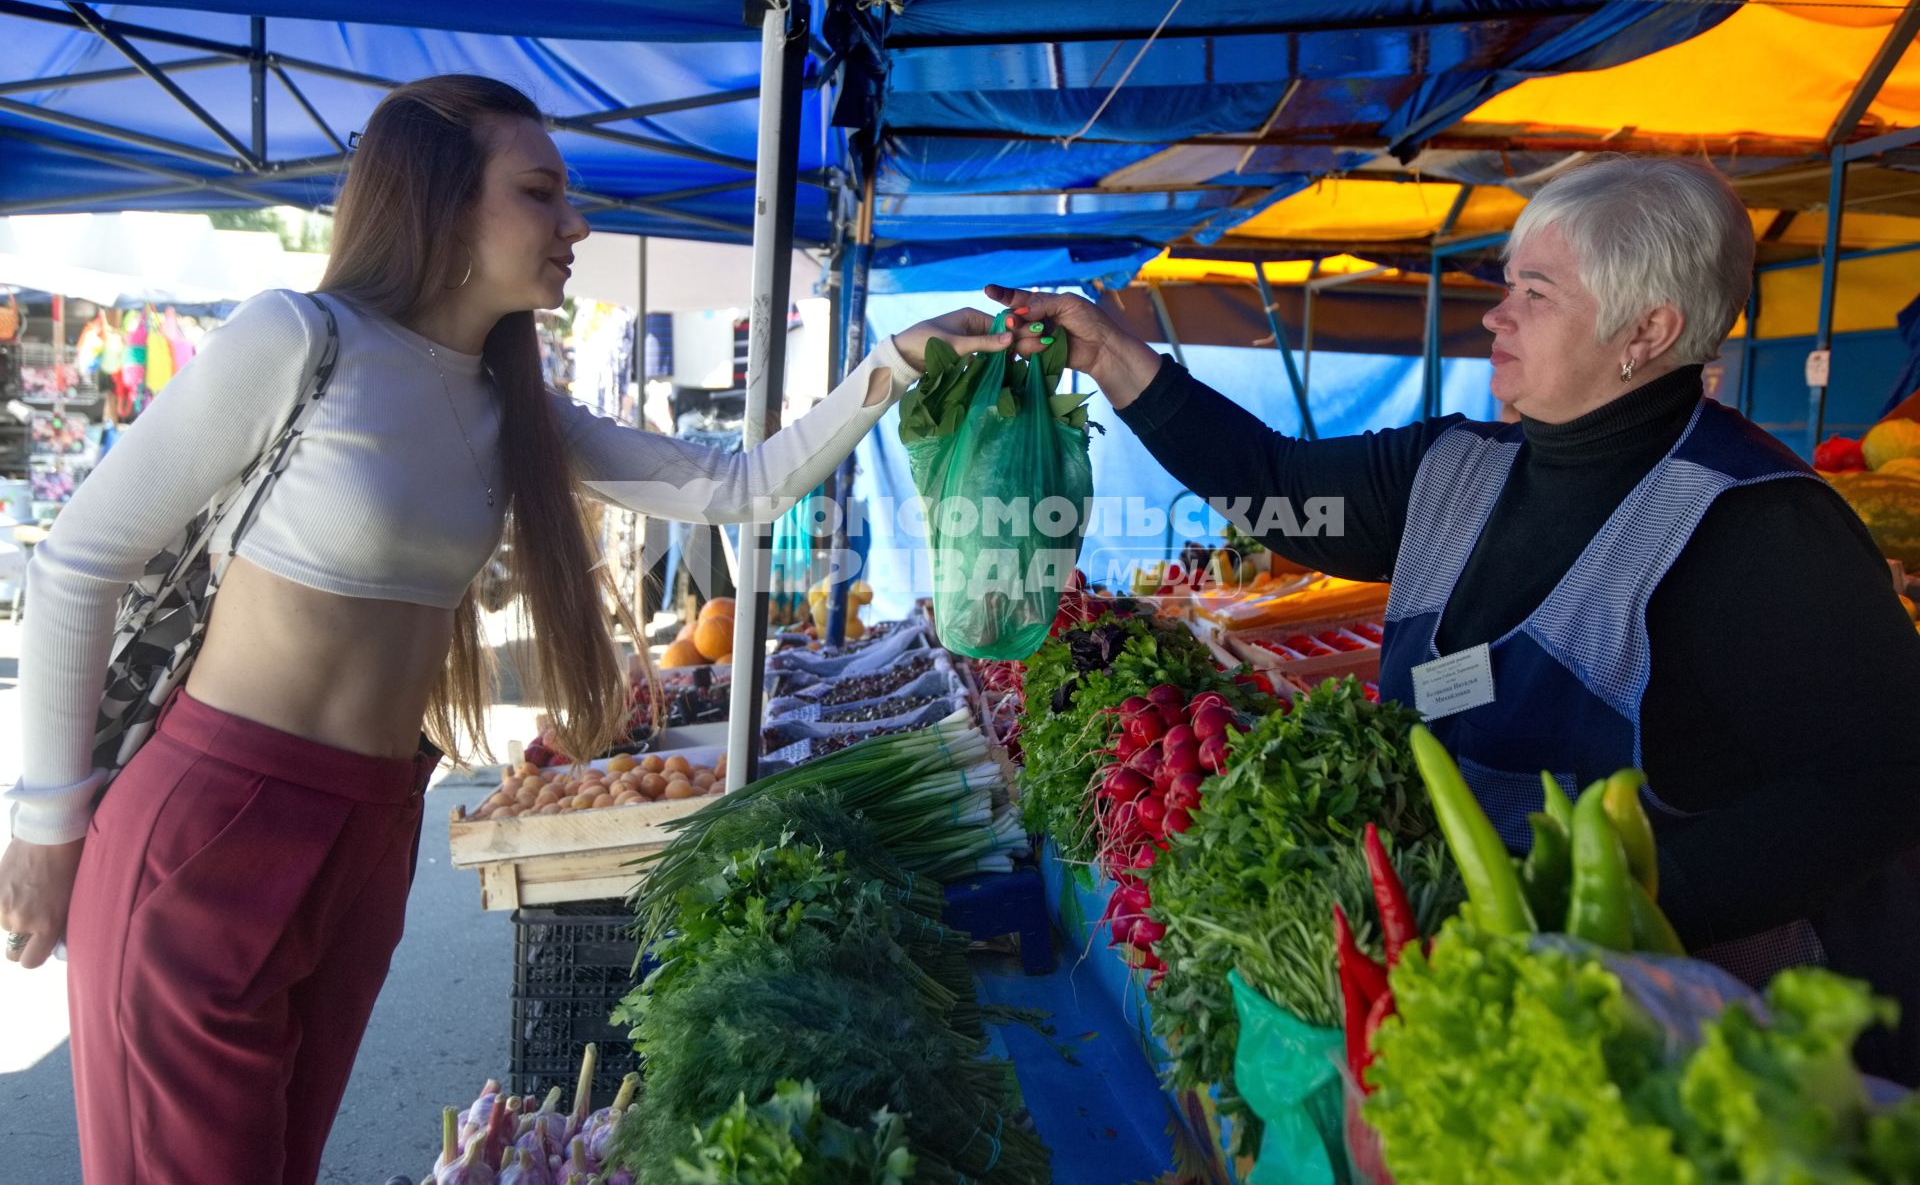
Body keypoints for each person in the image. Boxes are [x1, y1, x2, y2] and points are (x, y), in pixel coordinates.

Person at [0, 74, 1009, 1183]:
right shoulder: (301, 338)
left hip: (369, 829)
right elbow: (80, 558)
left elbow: (742, 485)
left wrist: (894, 364)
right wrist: (48, 829)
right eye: (541, 192)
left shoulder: (507, 404)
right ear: (438, 204)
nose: (575, 222)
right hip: (213, 823)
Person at [992, 154, 1920, 1080]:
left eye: (1536, 293)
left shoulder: (1758, 524)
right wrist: (1111, 353)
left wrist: (1592, 913)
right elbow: (1275, 488)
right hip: (1481, 972)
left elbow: (1870, 785)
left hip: (1694, 1017)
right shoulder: (1456, 462)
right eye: (1507, 284)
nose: (1495, 313)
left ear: (1649, 328)